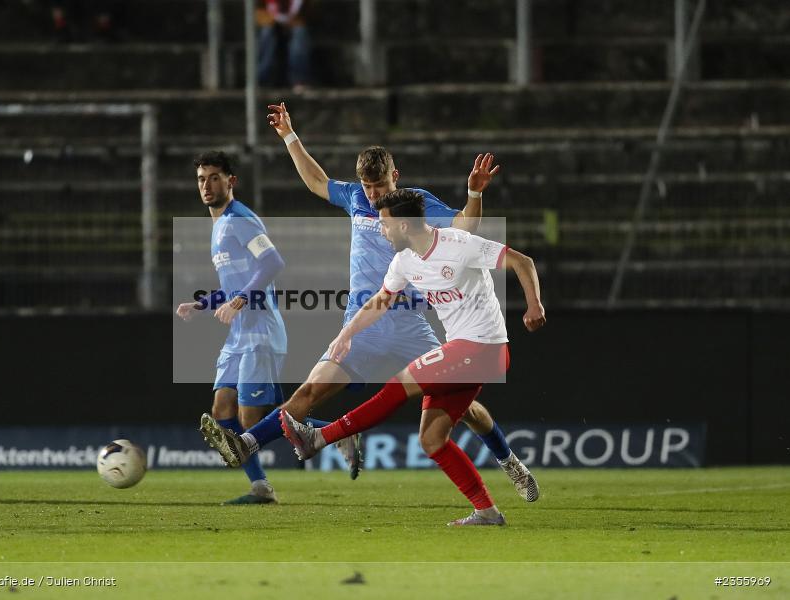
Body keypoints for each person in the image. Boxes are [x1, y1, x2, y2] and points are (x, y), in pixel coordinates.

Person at [199, 102, 538, 503]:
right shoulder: (355, 197)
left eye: (379, 186)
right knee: (307, 393)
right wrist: (289, 135)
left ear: (395, 177)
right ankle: (248, 444)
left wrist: (473, 194)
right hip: (361, 323)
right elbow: (316, 180)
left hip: (410, 326)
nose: (373, 194)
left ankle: (509, 459)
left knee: (466, 410)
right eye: (368, 186)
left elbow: (464, 228)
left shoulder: (415, 204)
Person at [281, 188, 546, 526]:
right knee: (432, 440)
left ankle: (319, 438)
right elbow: (380, 300)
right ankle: (486, 511)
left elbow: (522, 261)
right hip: (464, 353)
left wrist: (534, 305)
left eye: (385, 224)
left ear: (404, 225)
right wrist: (345, 334)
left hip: (485, 347)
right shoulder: (404, 261)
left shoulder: (458, 244)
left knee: (398, 385)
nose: (381, 230)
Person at [177, 151, 354, 503]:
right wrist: (203, 304)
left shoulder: (240, 219)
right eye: (201, 178)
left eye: (215, 177)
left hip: (260, 332)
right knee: (222, 411)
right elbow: (233, 284)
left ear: (231, 181)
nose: (207, 185)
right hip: (238, 336)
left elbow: (273, 262)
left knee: (250, 417)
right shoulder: (218, 227)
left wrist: (240, 301)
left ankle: (337, 433)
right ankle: (260, 487)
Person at [256, 0, 312, 91]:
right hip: (269, 23)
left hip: (296, 23)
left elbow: (309, 12)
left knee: (300, 34)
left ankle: (299, 80)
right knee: (266, 33)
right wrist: (271, 20)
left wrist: (292, 20)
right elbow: (257, 11)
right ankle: (261, 80)